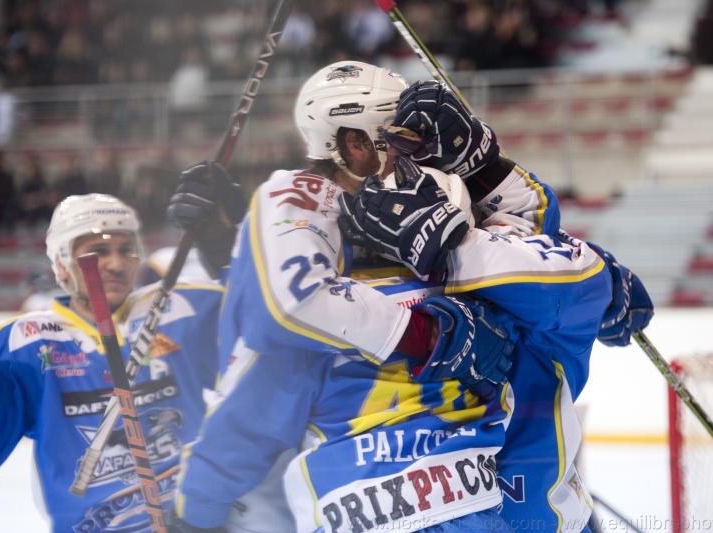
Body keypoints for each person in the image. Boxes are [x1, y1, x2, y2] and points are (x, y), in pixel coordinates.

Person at [167, 61, 615, 532]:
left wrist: (479, 170)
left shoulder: (498, 294)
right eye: (396, 135)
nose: (418, 150)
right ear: (353, 143)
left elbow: (254, 394)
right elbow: (288, 308)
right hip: (499, 514)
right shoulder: (494, 300)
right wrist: (429, 332)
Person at [339, 78, 654, 530]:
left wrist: (459, 219)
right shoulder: (547, 293)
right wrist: (479, 171)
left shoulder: (539, 297)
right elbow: (549, 254)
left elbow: (548, 266)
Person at [0, 193, 225, 532]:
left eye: (126, 249)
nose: (116, 264)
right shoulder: (24, 345)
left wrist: (223, 244)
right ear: (62, 263)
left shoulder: (181, 307)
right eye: (98, 251)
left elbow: (263, 335)